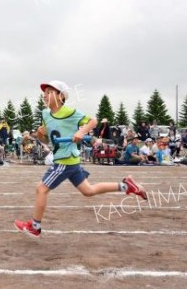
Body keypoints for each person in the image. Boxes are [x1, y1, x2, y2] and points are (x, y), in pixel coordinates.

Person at [14, 80, 147, 237]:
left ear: (61, 96)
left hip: (65, 161)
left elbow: (93, 121)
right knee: (88, 191)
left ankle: (35, 226)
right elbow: (46, 141)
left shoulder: (69, 112)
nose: (45, 95)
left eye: (50, 92)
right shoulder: (45, 115)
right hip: (68, 161)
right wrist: (41, 135)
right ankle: (126, 186)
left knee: (41, 189)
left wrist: (81, 132)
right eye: (45, 92)